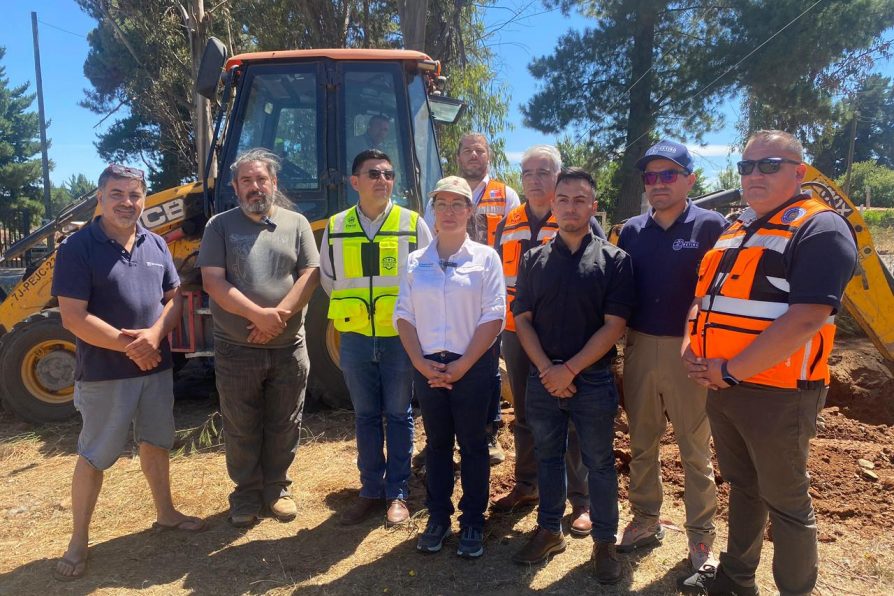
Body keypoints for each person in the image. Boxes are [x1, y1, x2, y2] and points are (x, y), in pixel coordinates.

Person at [682, 130, 857, 596]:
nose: (754, 174)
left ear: (799, 172)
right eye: (746, 166)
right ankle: (737, 580)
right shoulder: (736, 227)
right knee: (743, 486)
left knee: (786, 504)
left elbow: (808, 317)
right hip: (723, 385)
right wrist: (690, 343)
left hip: (777, 393)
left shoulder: (819, 228)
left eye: (769, 164)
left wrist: (732, 368)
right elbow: (704, 299)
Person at [52, 164, 206, 581]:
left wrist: (154, 336)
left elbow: (175, 299)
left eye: (135, 195)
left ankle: (166, 513)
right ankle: (78, 540)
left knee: (156, 442)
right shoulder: (78, 248)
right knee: (95, 455)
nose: (127, 202)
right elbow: (73, 317)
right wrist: (131, 346)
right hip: (105, 374)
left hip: (155, 368)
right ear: (100, 197)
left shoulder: (156, 244)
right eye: (117, 193)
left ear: (144, 198)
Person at [511, 168, 635, 585]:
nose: (570, 207)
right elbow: (522, 319)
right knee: (547, 457)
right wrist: (549, 370)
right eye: (563, 199)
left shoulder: (615, 261)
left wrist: (570, 369)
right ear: (553, 203)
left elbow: (614, 325)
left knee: (599, 463)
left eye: (579, 200)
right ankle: (549, 531)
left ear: (593, 206)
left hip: (593, 381)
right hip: (543, 382)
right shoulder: (533, 259)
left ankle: (603, 542)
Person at [616, 140, 726, 572]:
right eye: (650, 176)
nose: (657, 184)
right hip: (641, 345)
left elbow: (719, 292)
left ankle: (701, 538)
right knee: (642, 441)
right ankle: (646, 519)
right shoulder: (631, 231)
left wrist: (702, 342)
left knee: (694, 448)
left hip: (690, 351)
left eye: (668, 175)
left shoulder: (711, 226)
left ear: (689, 179)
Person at [197, 148, 320, 528]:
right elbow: (212, 281)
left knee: (285, 422)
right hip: (237, 349)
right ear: (235, 186)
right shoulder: (219, 226)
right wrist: (257, 316)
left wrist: (278, 317)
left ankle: (278, 489)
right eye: (247, 180)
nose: (255, 187)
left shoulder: (297, 223)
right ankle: (246, 494)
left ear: (274, 183)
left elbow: (310, 274)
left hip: (288, 347)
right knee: (240, 424)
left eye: (261, 179)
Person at [492, 145, 605, 540]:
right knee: (525, 414)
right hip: (517, 333)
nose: (535, 179)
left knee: (572, 416)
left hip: (569, 337)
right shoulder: (510, 220)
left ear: (557, 179)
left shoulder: (577, 218)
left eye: (544, 172)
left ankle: (582, 500)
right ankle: (528, 485)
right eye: (528, 173)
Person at [394, 175, 506, 558]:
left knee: (474, 445)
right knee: (438, 445)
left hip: (471, 367)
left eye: (458, 204)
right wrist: (420, 363)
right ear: (432, 211)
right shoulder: (414, 262)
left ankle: (473, 520)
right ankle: (438, 517)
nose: (450, 211)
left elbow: (493, 317)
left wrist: (463, 366)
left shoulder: (486, 258)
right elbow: (404, 315)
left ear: (470, 211)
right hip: (428, 367)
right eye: (441, 204)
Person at [320, 149, 432, 526]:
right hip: (353, 335)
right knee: (366, 416)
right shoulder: (336, 227)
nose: (382, 180)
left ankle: (397, 492)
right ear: (355, 182)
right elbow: (328, 279)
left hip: (398, 337)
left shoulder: (412, 223)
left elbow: (427, 277)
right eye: (373, 174)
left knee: (399, 415)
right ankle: (370, 489)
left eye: (387, 174)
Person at [425, 132, 521, 465]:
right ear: (458, 157)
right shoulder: (442, 193)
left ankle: (487, 432)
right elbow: (428, 238)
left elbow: (515, 237)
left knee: (488, 366)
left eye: (480, 150)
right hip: (446, 288)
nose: (474, 156)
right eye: (468, 150)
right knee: (439, 358)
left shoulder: (505, 195)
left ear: (489, 157)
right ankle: (439, 439)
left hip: (486, 286)